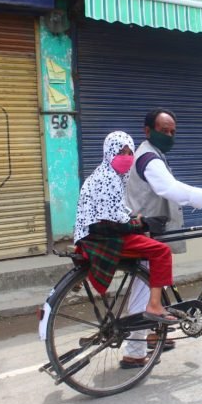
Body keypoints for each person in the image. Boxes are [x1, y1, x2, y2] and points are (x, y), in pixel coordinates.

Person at [122, 107, 202, 363]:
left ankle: (154, 335)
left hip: (153, 229)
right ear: (147, 131)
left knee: (152, 284)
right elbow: (171, 189)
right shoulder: (148, 159)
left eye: (173, 131)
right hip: (146, 232)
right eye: (164, 130)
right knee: (144, 289)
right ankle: (133, 354)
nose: (169, 135)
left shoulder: (152, 154)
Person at [73, 131, 181, 369]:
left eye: (129, 152)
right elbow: (113, 222)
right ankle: (155, 306)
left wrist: (135, 218)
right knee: (160, 252)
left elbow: (116, 210)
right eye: (120, 152)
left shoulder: (106, 174)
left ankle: (145, 340)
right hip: (105, 239)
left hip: (95, 237)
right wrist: (141, 224)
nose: (126, 157)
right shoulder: (109, 177)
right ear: (108, 152)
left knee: (145, 264)